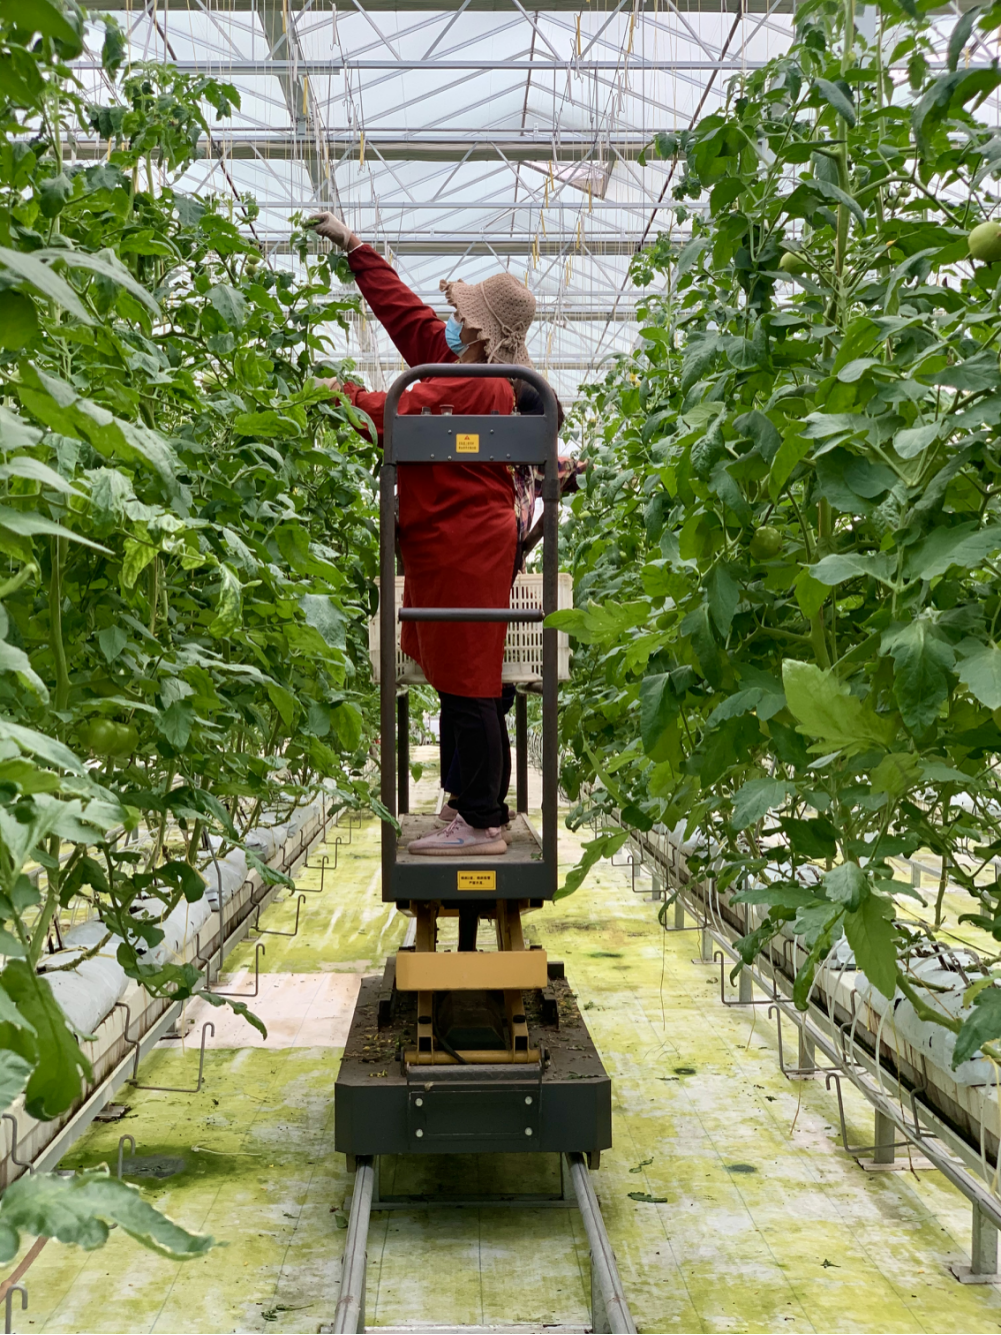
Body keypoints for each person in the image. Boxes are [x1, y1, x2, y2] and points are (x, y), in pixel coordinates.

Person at [307, 212, 580, 856]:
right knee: (468, 678)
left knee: (469, 682)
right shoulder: (472, 369)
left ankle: (481, 823)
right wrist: (356, 249)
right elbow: (410, 319)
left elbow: (394, 416)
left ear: (481, 333)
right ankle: (472, 807)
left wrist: (338, 393)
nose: (452, 321)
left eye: (463, 316)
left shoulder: (473, 388)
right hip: (457, 544)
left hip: (464, 547)